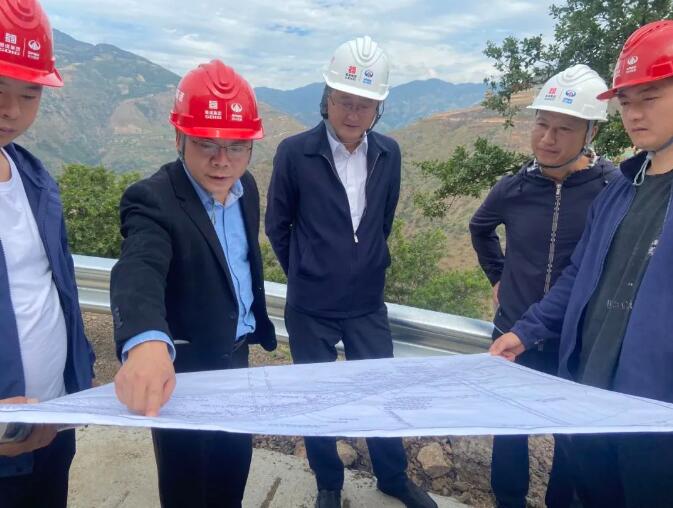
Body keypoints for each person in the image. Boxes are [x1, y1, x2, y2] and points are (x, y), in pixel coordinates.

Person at [491, 20, 673, 508]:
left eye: (650, 97)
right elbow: (580, 277)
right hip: (590, 401)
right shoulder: (621, 191)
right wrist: (526, 331)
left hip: (654, 425)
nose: (634, 113)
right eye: (626, 101)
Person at [266, 35, 436, 508]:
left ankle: (392, 477)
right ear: (327, 97)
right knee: (316, 398)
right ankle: (329, 483)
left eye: (365, 104)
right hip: (310, 305)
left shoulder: (388, 153)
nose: (353, 113)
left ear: (379, 108)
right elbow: (278, 224)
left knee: (380, 390)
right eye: (344, 100)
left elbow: (382, 220)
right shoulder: (294, 152)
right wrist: (307, 269)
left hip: (366, 303)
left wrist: (366, 261)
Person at [110, 60, 276, 508]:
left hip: (236, 357)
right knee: (186, 480)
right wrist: (145, 341)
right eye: (206, 144)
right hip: (182, 368)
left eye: (236, 146)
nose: (222, 160)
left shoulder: (246, 188)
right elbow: (139, 268)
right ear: (179, 138)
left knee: (232, 466)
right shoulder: (153, 199)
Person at [470, 64, 616, 508]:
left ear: (590, 132)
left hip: (574, 338)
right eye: (542, 124)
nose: (548, 139)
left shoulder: (610, 189)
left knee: (569, 435)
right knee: (508, 429)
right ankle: (508, 500)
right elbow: (480, 227)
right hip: (512, 328)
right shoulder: (514, 188)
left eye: (564, 129)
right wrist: (498, 274)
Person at [0, 0, 95, 505]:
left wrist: (78, 375)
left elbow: (56, 293)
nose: (10, 111)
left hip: (53, 420)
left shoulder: (32, 177)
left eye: (28, 93)